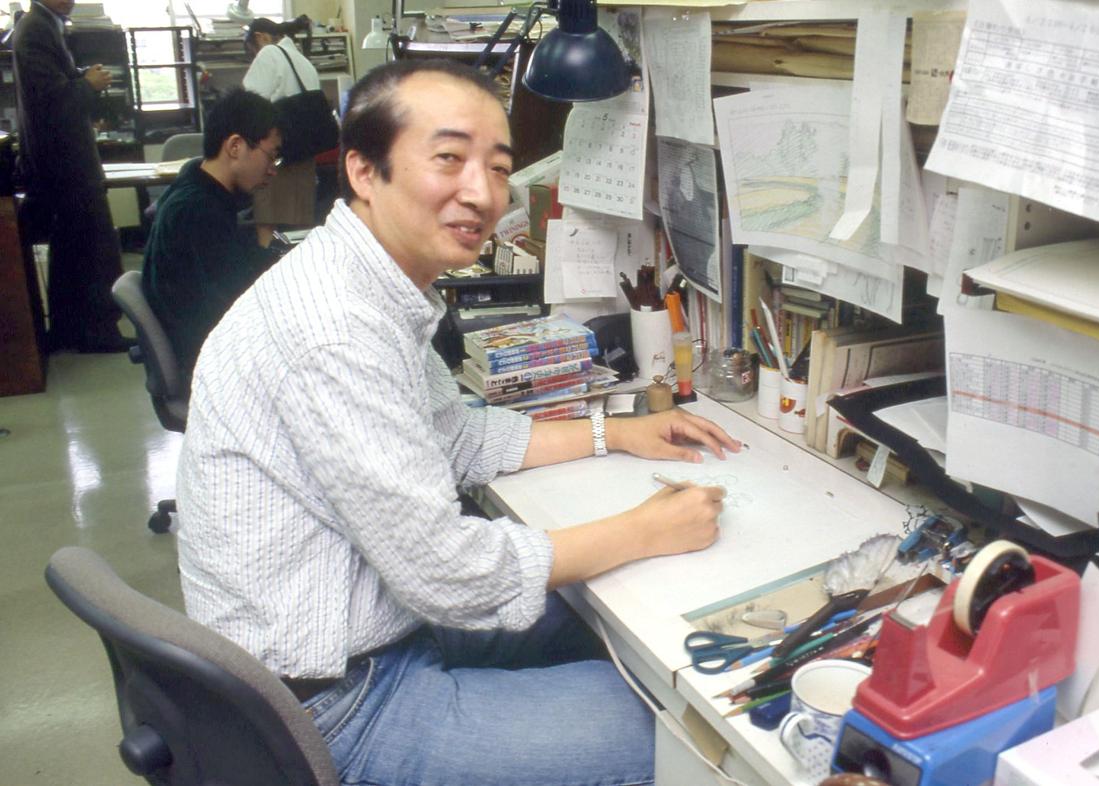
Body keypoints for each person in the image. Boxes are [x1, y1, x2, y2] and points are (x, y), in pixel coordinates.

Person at [177, 58, 742, 785]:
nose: (481, 193)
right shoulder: (335, 332)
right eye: (448, 158)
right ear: (363, 170)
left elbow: (460, 437)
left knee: (599, 628)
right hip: (332, 703)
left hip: (369, 631)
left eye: (498, 168)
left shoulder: (368, 285)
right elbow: (446, 572)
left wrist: (616, 431)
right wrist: (644, 529)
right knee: (674, 732)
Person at [140, 89, 281, 378]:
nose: (272, 170)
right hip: (211, 366)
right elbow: (241, 303)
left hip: (202, 345)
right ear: (235, 146)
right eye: (271, 156)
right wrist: (265, 238)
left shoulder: (196, 183)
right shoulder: (198, 212)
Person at [12, 0, 127, 352]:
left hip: (63, 162)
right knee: (93, 248)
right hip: (64, 164)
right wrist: (87, 84)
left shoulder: (46, 24)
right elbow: (50, 102)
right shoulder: (35, 29)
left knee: (72, 250)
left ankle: (72, 330)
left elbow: (56, 87)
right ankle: (98, 332)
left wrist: (79, 77)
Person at [242, 15, 321, 247]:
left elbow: (249, 106)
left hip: (275, 157)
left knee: (267, 227)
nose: (254, 56)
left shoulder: (269, 53)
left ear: (260, 37)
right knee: (298, 233)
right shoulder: (302, 60)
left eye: (252, 51)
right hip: (304, 155)